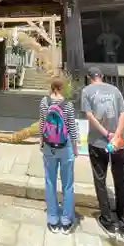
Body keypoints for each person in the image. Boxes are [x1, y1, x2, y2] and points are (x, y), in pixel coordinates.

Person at [81, 66, 124, 240]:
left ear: (89, 78)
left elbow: (90, 116)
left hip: (97, 143)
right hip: (118, 143)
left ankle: (107, 220)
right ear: (101, 77)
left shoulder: (87, 91)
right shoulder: (115, 90)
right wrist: (116, 135)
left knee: (100, 179)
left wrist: (106, 134)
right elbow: (123, 114)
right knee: (121, 180)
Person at [40, 77, 79, 234]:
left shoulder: (44, 103)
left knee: (50, 181)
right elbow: (72, 128)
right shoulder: (68, 105)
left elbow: (42, 124)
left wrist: (41, 143)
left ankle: (52, 219)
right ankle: (66, 220)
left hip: (49, 146)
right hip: (65, 146)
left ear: (51, 87)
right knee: (67, 183)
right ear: (63, 88)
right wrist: (75, 149)